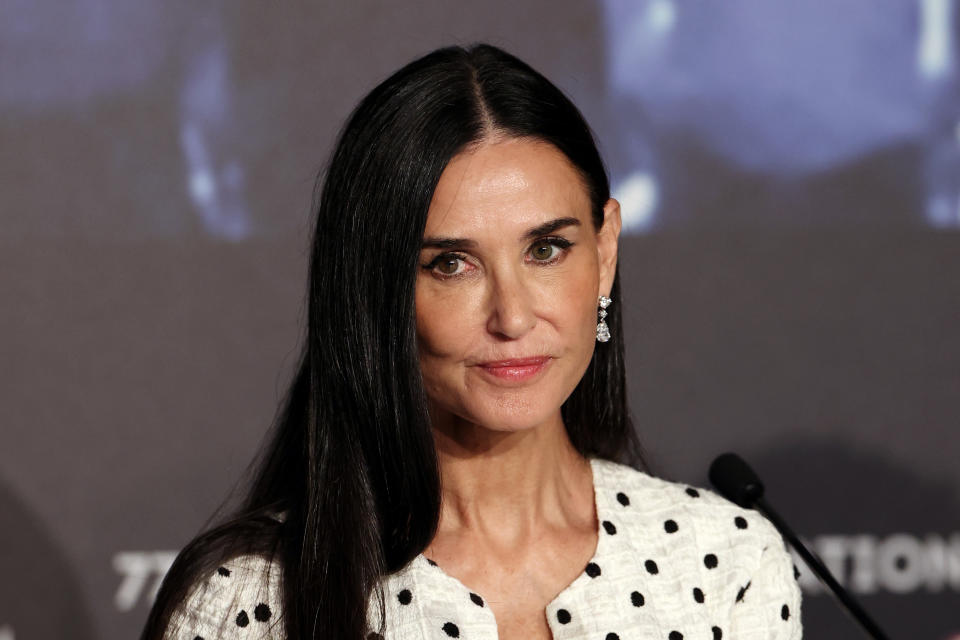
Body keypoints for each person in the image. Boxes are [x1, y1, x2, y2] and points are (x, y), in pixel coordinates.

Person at [142, 43, 802, 640]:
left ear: (603, 254)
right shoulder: (248, 603)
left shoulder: (727, 563)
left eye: (547, 249)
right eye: (451, 264)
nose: (512, 318)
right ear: (377, 290)